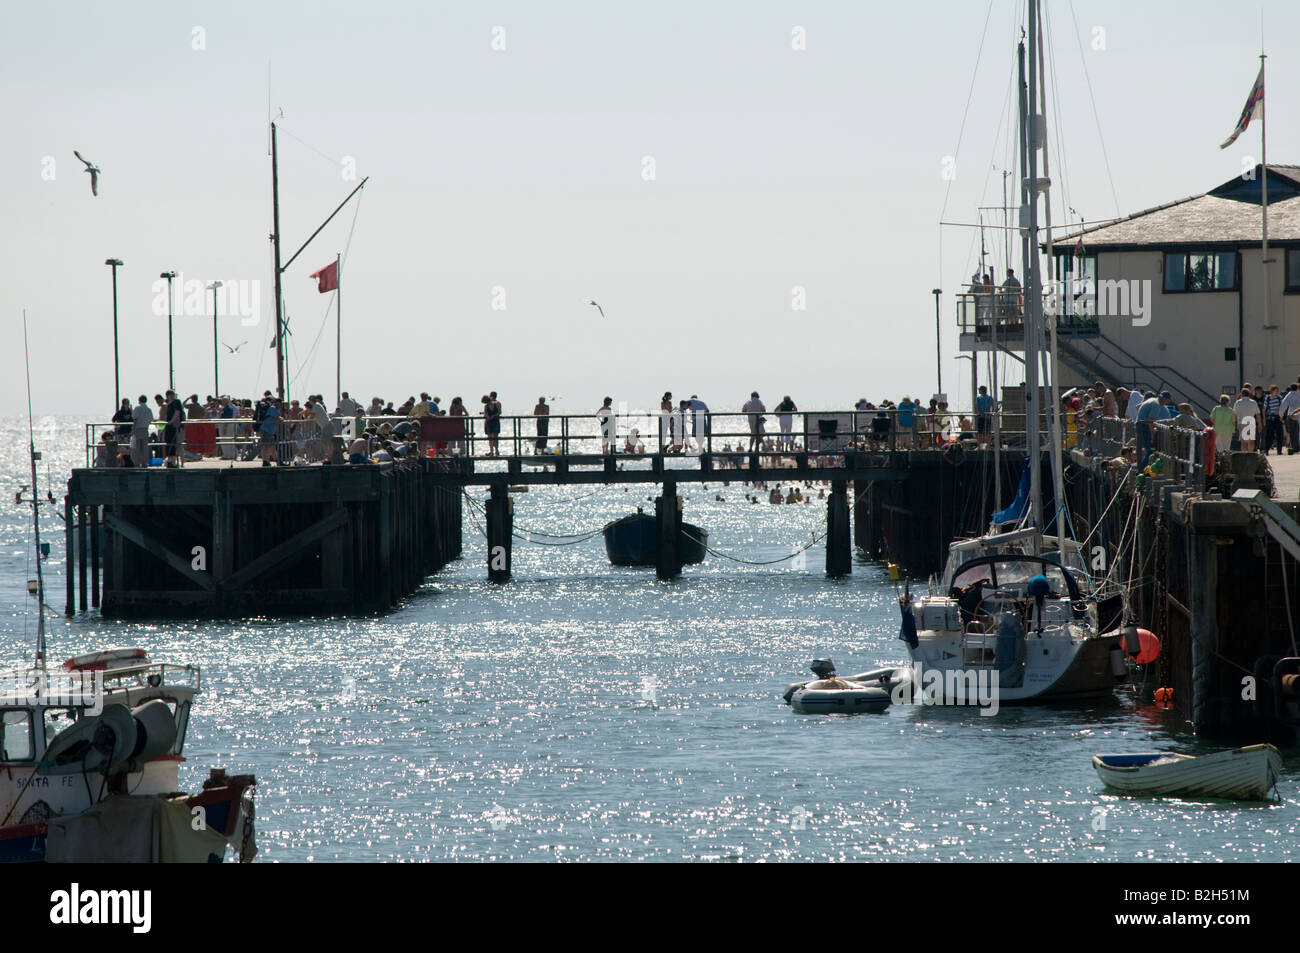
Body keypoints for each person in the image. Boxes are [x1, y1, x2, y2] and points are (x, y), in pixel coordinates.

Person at [1233, 386, 1261, 453]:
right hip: (1251, 421)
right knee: (1251, 440)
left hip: (1242, 422)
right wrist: (1259, 424)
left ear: (1241, 394)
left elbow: (1235, 414)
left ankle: (1244, 454)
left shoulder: (1238, 402)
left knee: (1243, 441)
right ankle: (1250, 453)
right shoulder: (1253, 402)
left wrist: (1234, 424)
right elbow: (1257, 414)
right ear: (1249, 394)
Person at [1263, 384, 1285, 455]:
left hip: (1278, 417)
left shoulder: (1279, 398)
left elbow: (1282, 407)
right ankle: (1266, 449)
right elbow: (1264, 409)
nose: (1276, 392)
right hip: (1270, 418)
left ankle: (1279, 450)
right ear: (1272, 391)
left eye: (1277, 391)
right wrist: (1264, 419)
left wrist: (1281, 415)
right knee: (1269, 435)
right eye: (1275, 391)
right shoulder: (1268, 398)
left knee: (1279, 435)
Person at [258, 398, 280, 466]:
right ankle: (265, 461)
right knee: (266, 446)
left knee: (272, 446)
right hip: (266, 430)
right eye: (278, 402)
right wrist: (282, 418)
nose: (279, 404)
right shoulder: (272, 408)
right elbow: (277, 417)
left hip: (270, 431)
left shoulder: (275, 409)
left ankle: (277, 461)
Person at [1280, 383, 1300, 454]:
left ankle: (1294, 447)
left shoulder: (1289, 395)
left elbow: (1283, 404)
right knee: (1298, 432)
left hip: (1291, 415)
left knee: (1292, 432)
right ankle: (1297, 446)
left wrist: (1281, 415)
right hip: (1298, 414)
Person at [482, 391, 502, 456]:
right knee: (490, 437)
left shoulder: (497, 403)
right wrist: (489, 417)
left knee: (494, 437)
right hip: (489, 422)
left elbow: (499, 412)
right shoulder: (486, 406)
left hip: (494, 421)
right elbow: (485, 413)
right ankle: (492, 451)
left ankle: (495, 450)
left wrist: (492, 416)